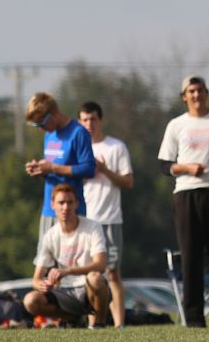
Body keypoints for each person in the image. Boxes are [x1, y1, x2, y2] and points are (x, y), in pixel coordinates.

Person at [158, 75, 209, 327]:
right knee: (191, 258)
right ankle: (193, 320)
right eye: (191, 91)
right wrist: (187, 168)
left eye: (200, 90)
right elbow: (164, 165)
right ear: (184, 97)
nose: (196, 94)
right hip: (187, 194)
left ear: (206, 93)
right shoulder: (176, 125)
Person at [77, 101, 133, 328]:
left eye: (93, 119)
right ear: (79, 122)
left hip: (110, 220)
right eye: (84, 120)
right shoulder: (78, 149)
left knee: (113, 273)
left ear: (100, 120)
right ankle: (94, 322)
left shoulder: (116, 147)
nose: (89, 124)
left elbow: (128, 182)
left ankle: (119, 324)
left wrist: (104, 170)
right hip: (85, 222)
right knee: (90, 275)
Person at [23, 184, 110, 327]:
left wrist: (67, 271)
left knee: (94, 278)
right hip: (64, 291)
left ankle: (99, 324)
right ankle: (72, 318)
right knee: (30, 301)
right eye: (61, 202)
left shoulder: (93, 227)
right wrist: (44, 285)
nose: (65, 207)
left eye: (70, 202)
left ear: (77, 204)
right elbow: (36, 280)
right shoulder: (50, 235)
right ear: (52, 205)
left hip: (88, 288)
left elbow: (100, 265)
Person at [24, 93, 95, 259]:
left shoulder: (78, 132)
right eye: (36, 126)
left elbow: (89, 169)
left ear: (53, 114)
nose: (41, 129)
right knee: (45, 264)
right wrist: (40, 170)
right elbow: (53, 168)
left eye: (41, 124)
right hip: (49, 210)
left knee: (72, 265)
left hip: (71, 211)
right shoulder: (49, 135)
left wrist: (53, 168)